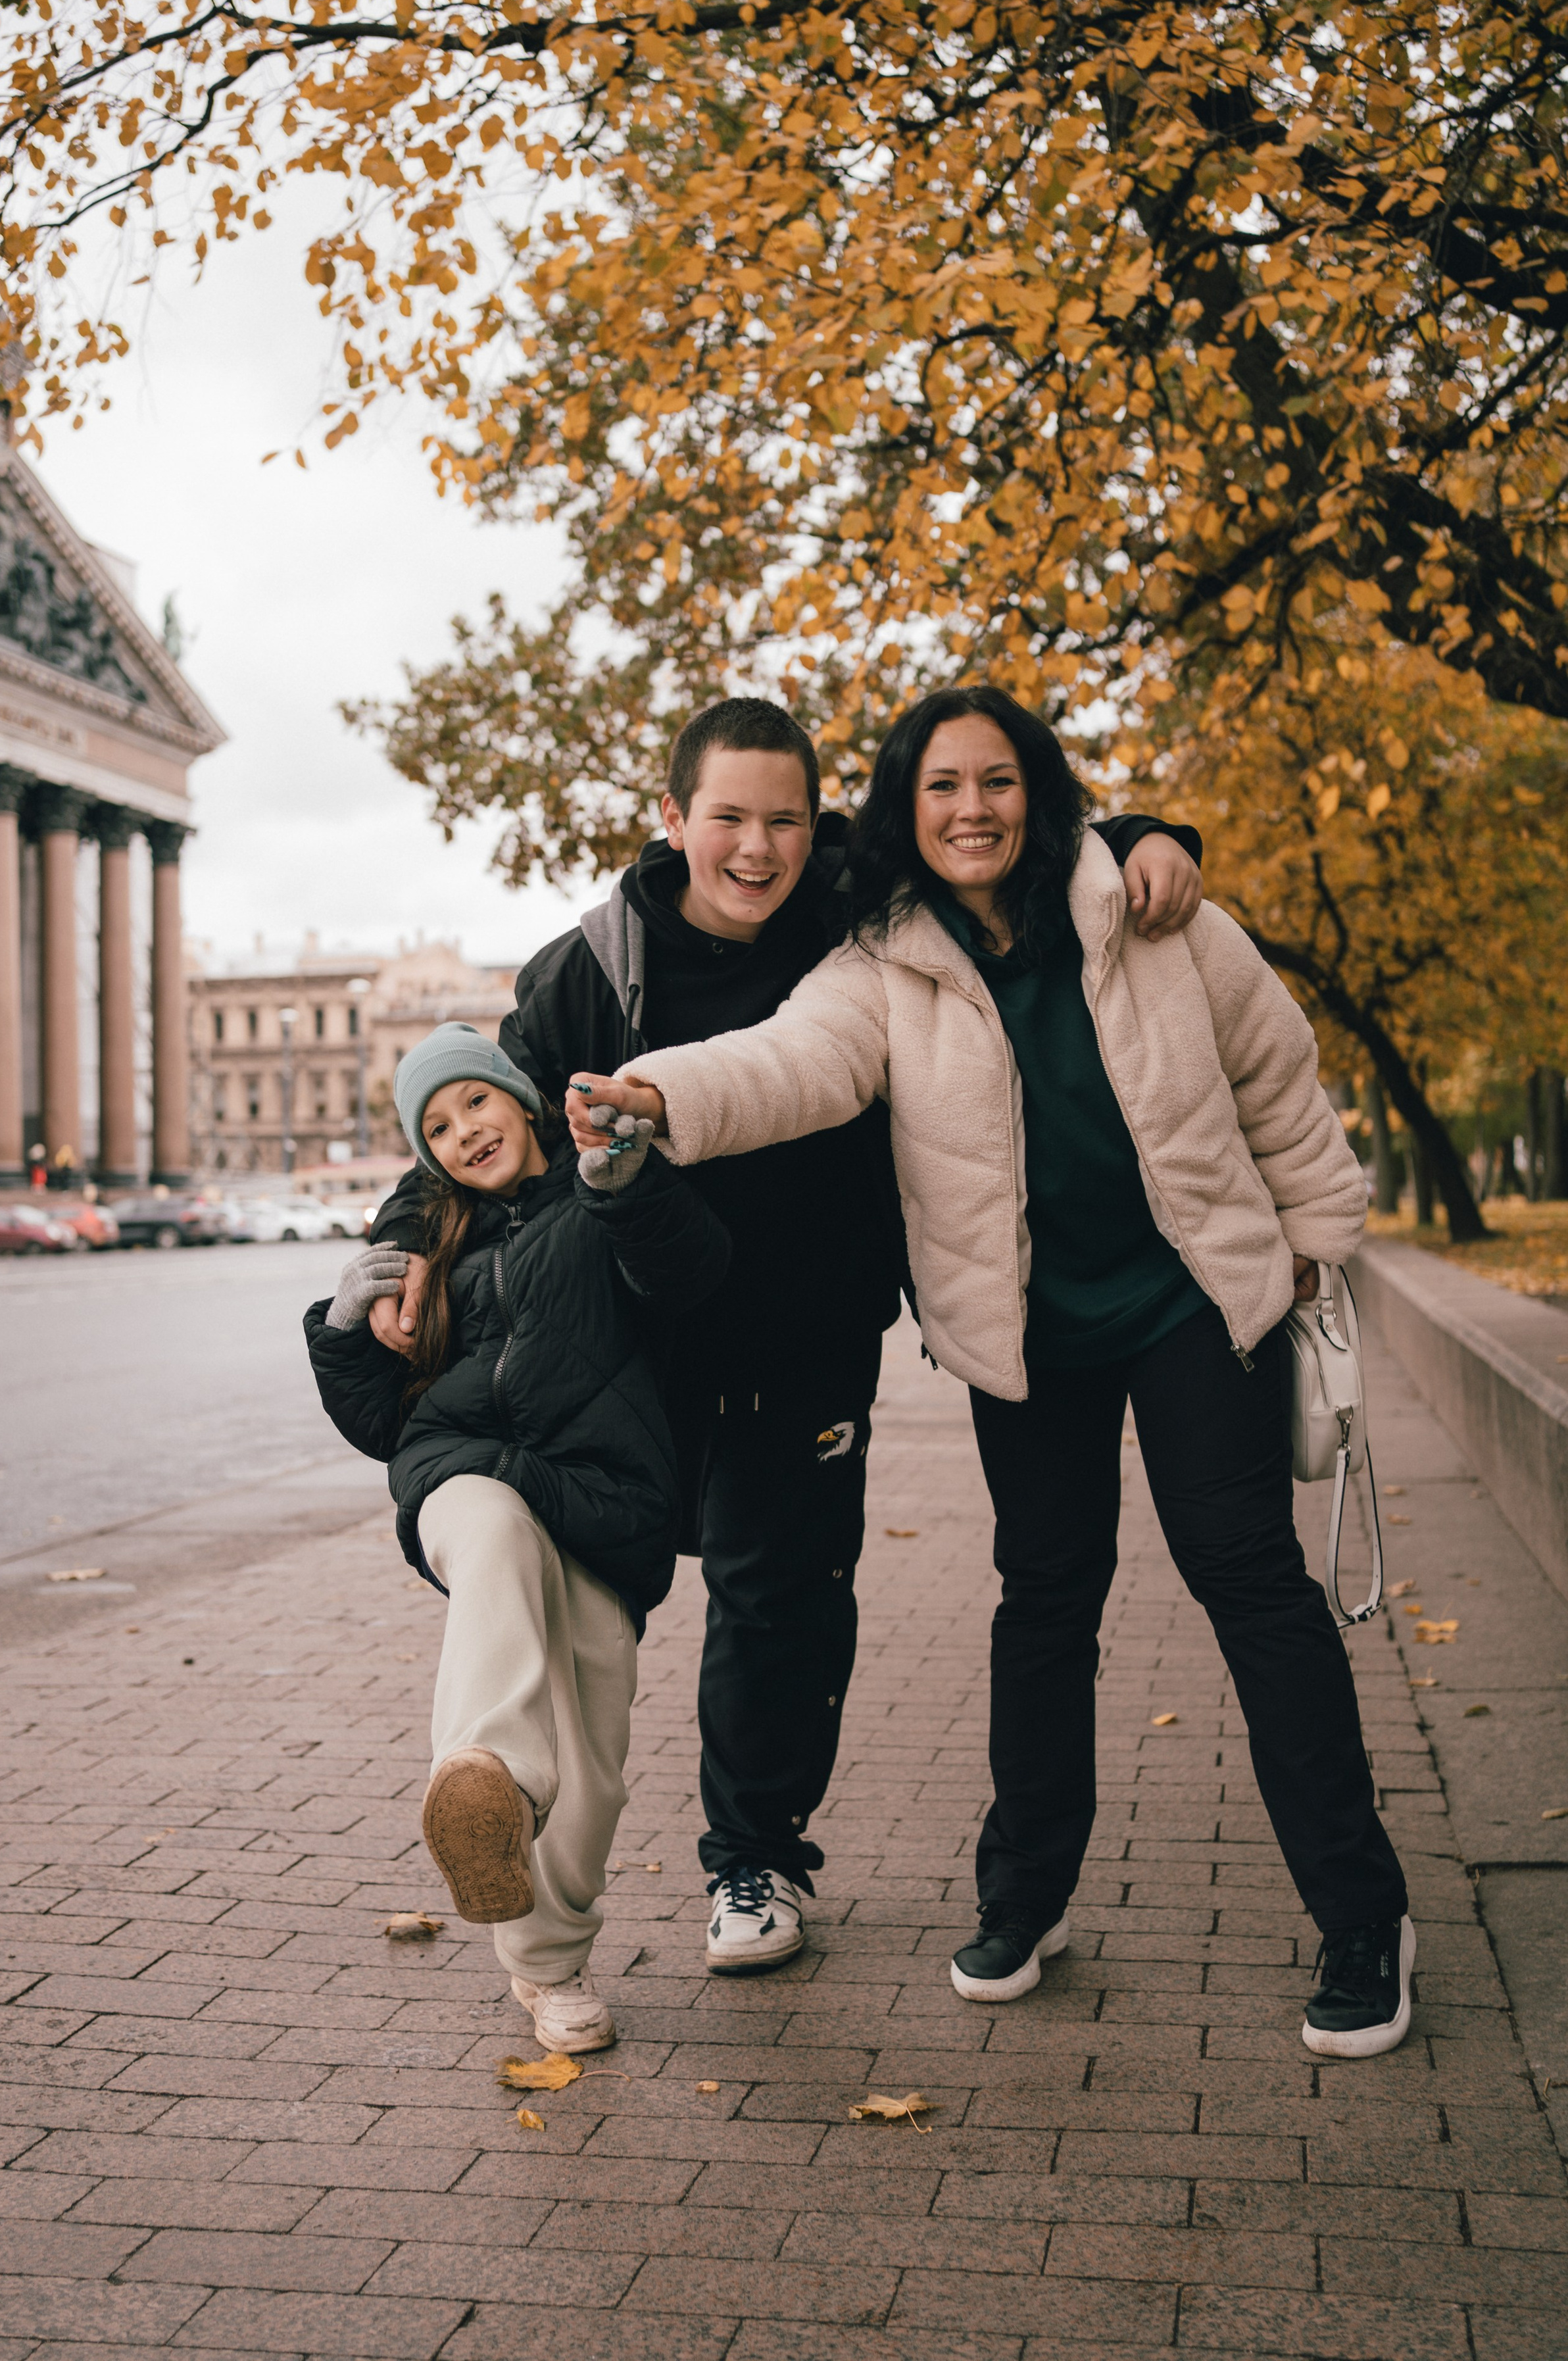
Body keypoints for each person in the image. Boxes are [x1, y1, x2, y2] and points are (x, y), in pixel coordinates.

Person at [569, 685, 1414, 2060]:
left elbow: (1276, 1078)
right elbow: (789, 1062)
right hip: (1029, 1337)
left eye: (999, 780)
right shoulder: (882, 964)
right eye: (943, 787)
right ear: (904, 813)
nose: (973, 809)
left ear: (1041, 793)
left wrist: (1320, 1246)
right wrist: (658, 1098)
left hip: (1196, 1304)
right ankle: (1026, 1898)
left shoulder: (1152, 911)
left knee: (1249, 1583)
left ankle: (1363, 1918)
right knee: (1043, 1607)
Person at [370, 696, 1206, 1972]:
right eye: (728, 819)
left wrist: (1148, 835)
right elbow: (477, 1129)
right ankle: (522, 1836)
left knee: (781, 1603)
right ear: (672, 818)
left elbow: (1003, 848)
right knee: (591, 1609)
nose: (757, 849)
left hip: (806, 1334)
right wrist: (396, 1256)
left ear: (821, 826)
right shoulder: (586, 972)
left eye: (786, 821)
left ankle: (753, 1862)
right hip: (633, 1349)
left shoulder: (859, 913)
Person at [305, 1020, 728, 2054]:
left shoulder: (597, 1194)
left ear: (519, 1099)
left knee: (595, 1766)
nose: (464, 1133)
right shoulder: (432, 1241)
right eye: (438, 1128)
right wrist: (344, 1327)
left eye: (475, 1102)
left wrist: (625, 1187)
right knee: (491, 1537)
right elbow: (380, 1421)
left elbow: (694, 1278)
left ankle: (549, 1968)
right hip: (461, 1468)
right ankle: (490, 1778)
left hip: (597, 1494)